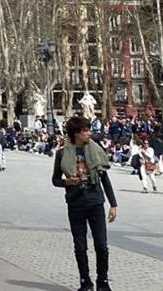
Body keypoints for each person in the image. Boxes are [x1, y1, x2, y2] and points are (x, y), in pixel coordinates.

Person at [52, 116, 117, 291]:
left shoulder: (96, 150)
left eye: (89, 130)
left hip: (95, 201)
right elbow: (55, 180)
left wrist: (113, 204)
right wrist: (68, 183)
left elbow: (105, 178)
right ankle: (85, 281)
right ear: (75, 134)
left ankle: (102, 282)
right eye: (85, 131)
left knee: (101, 245)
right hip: (75, 203)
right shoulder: (62, 153)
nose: (89, 133)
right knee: (80, 246)